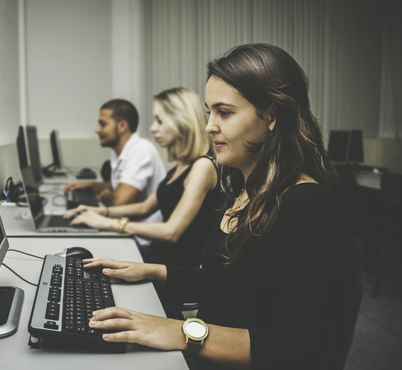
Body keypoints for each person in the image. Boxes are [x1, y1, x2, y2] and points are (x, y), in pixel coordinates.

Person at [82, 44, 353, 370]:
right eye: (210, 111)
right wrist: (151, 271)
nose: (210, 125)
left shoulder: (307, 207)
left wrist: (179, 332)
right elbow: (228, 284)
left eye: (224, 112)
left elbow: (300, 346)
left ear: (271, 116)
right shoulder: (244, 188)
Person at [65, 88, 221, 268]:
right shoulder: (180, 167)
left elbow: (172, 232)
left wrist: (109, 223)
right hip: (155, 253)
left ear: (183, 122)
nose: (153, 128)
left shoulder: (202, 166)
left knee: (88, 266)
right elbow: (144, 208)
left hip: (169, 266)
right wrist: (98, 212)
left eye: (160, 121)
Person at [64, 99, 166, 222]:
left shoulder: (140, 150)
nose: (97, 130)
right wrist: (88, 186)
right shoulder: (120, 152)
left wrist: (106, 196)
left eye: (103, 124)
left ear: (122, 126)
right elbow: (117, 184)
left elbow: (119, 203)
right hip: (129, 228)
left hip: (144, 238)